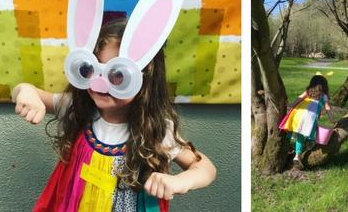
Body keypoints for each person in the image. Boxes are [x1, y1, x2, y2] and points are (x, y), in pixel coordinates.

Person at [13, 19, 216, 211]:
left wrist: (180, 181)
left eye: (118, 74)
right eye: (92, 68)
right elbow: (25, 89)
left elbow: (205, 168)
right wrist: (26, 92)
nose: (100, 82)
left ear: (145, 80)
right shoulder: (77, 107)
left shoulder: (157, 130)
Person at [279, 74, 334, 169]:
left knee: (297, 132)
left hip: (298, 114)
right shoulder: (323, 96)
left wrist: (291, 105)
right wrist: (332, 119)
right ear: (324, 86)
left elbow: (299, 98)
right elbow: (327, 108)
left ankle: (291, 146)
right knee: (304, 134)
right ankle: (298, 155)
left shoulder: (308, 92)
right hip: (310, 119)